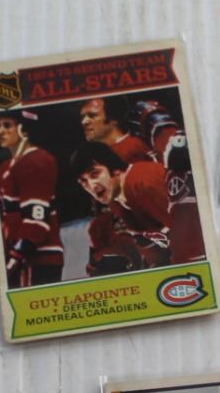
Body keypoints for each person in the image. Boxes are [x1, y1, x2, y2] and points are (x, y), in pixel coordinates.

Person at [70, 99, 205, 273]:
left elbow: (190, 225)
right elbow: (149, 242)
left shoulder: (139, 174)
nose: (84, 121)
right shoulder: (115, 197)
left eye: (92, 115)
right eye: (83, 181)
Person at [0, 110, 64, 288]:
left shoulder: (38, 161)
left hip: (37, 258)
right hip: (17, 256)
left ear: (24, 130)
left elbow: (37, 222)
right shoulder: (5, 167)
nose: (0, 131)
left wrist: (13, 259)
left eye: (7, 125)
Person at [79, 97, 155, 165]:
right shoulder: (98, 152)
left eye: (92, 115)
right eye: (82, 117)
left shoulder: (133, 147)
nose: (84, 122)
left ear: (114, 119)